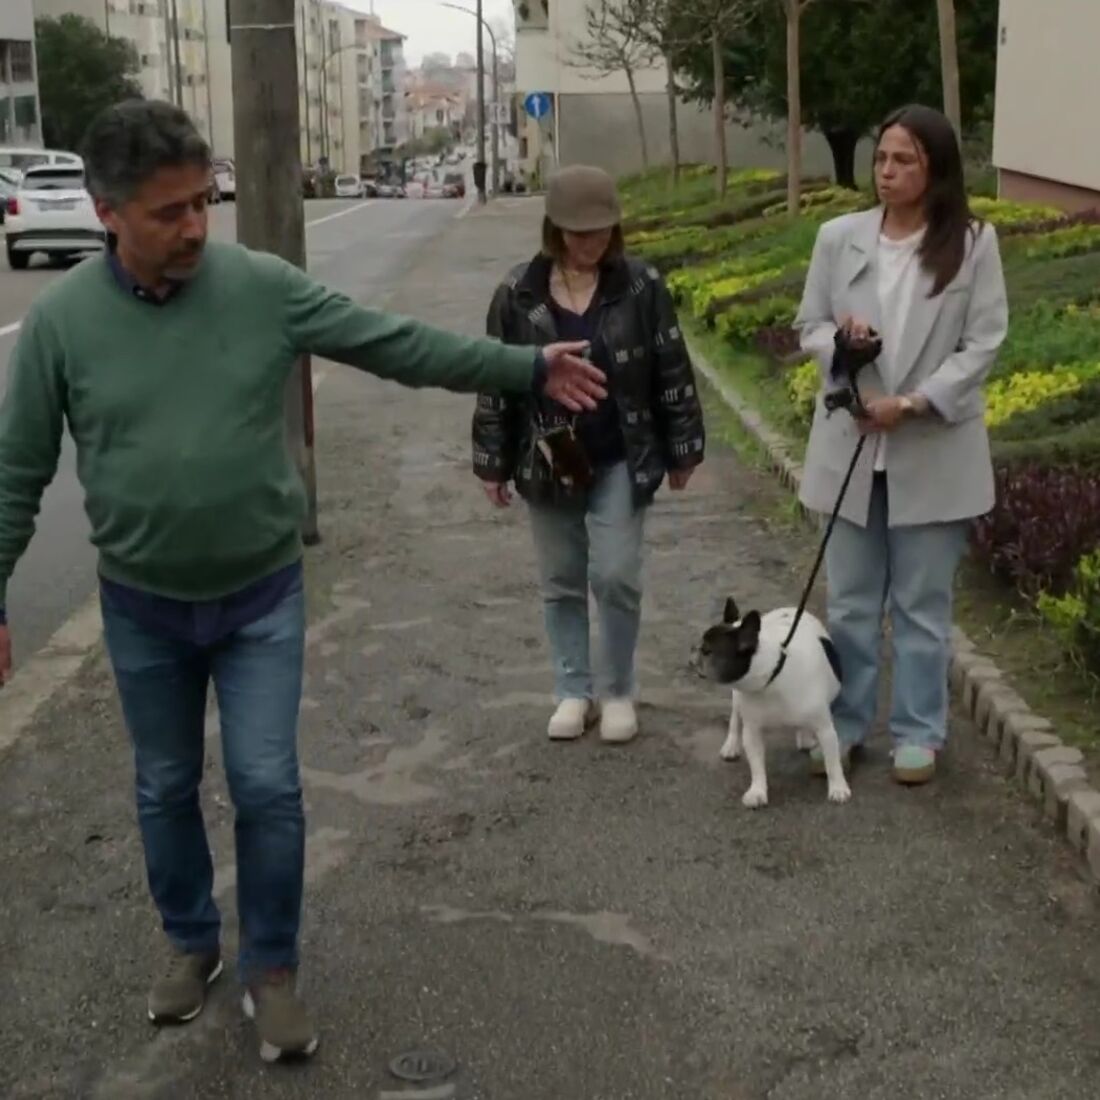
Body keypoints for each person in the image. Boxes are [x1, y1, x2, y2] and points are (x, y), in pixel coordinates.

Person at [0, 100, 605, 1062]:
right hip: (142, 606)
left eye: (204, 201)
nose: (197, 225)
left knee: (268, 785)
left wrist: (525, 366)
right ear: (108, 211)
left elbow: (394, 344)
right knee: (162, 785)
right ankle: (191, 941)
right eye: (170, 212)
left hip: (259, 596)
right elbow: (15, 473)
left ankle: (271, 970)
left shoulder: (259, 286)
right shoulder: (62, 326)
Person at [794, 103, 1009, 786]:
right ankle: (848, 725)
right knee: (853, 600)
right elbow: (810, 325)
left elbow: (984, 342)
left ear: (935, 169)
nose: (886, 172)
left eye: (904, 160)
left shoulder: (973, 243)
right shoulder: (839, 237)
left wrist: (914, 402)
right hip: (852, 444)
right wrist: (842, 346)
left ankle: (920, 732)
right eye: (882, 158)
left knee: (922, 603)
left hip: (932, 445)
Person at [473, 165, 705, 745]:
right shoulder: (516, 294)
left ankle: (618, 689)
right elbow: (495, 379)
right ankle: (573, 691)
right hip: (547, 456)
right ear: (554, 230)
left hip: (622, 452)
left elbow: (671, 366)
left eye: (601, 231)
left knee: (616, 574)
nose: (590, 243)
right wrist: (492, 462)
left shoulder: (641, 286)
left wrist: (683, 447)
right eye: (578, 232)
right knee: (560, 579)